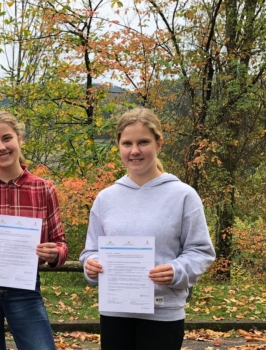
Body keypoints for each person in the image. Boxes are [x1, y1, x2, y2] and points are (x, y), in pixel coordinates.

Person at [79, 107, 215, 349]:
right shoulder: (105, 198)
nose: (134, 151)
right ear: (118, 146)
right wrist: (90, 266)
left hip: (163, 313)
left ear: (158, 144)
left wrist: (176, 270)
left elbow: (201, 251)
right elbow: (90, 252)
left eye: (143, 142)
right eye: (127, 143)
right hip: (115, 313)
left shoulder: (183, 195)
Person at [0, 110, 68, 350]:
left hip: (24, 286)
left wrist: (54, 253)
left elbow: (60, 243)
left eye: (7, 138)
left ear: (19, 139)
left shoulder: (43, 189)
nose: (1, 147)